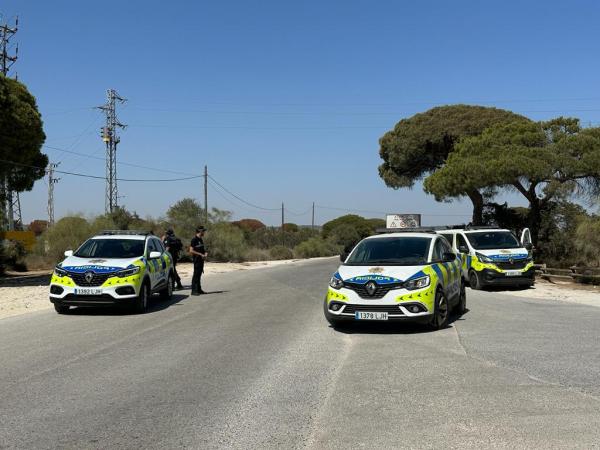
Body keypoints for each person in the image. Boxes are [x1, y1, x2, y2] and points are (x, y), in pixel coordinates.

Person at [189, 226, 208, 295]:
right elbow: (191, 250)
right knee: (196, 275)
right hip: (196, 260)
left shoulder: (200, 239)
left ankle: (199, 289)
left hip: (201, 260)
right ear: (200, 231)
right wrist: (200, 254)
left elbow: (202, 249)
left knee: (199, 275)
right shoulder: (194, 240)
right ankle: (193, 291)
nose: (204, 232)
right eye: (203, 231)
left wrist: (205, 253)